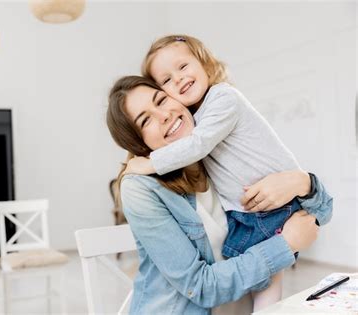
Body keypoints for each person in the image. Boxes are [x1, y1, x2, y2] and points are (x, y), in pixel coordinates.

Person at [122, 35, 333, 310]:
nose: (163, 115)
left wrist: (300, 181)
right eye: (146, 119)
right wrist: (284, 244)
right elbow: (201, 286)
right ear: (138, 142)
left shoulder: (211, 138)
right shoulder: (144, 186)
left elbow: (323, 213)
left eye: (161, 101)